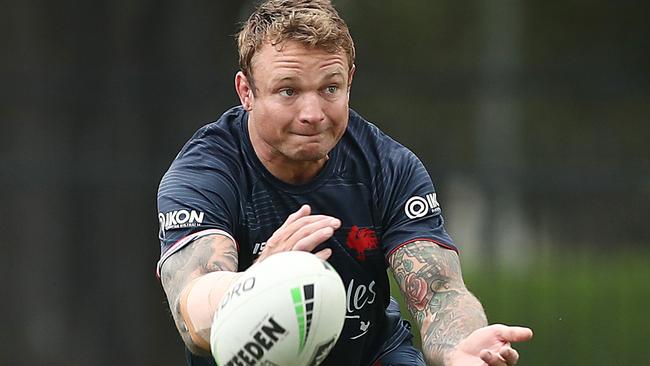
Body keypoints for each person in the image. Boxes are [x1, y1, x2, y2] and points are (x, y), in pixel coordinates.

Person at [156, 0, 533, 365]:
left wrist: (459, 347)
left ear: (349, 81)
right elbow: (192, 311)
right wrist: (259, 282)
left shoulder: (388, 167)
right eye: (288, 91)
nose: (312, 113)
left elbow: (438, 292)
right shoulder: (205, 174)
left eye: (329, 89)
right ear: (246, 92)